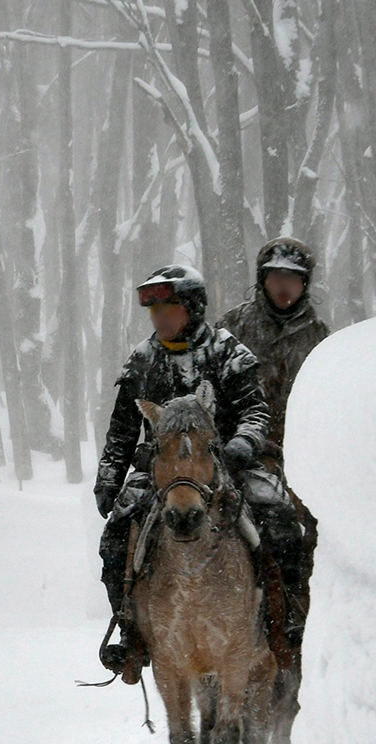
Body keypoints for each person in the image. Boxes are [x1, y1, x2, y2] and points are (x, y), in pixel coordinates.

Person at [94, 264, 305, 671]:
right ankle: (130, 631)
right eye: (153, 312)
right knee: (116, 537)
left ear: (192, 308)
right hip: (159, 477)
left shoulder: (228, 352)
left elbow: (255, 411)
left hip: (227, 468)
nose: (159, 318)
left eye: (168, 308)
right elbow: (121, 432)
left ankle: (284, 624)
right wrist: (109, 479)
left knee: (279, 520)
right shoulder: (141, 361)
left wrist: (242, 444)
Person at [217, 237, 329, 451]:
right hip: (238, 447)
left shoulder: (319, 337)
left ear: (304, 283)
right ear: (263, 280)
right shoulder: (232, 326)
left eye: (293, 278)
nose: (284, 285)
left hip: (301, 448)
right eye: (277, 277)